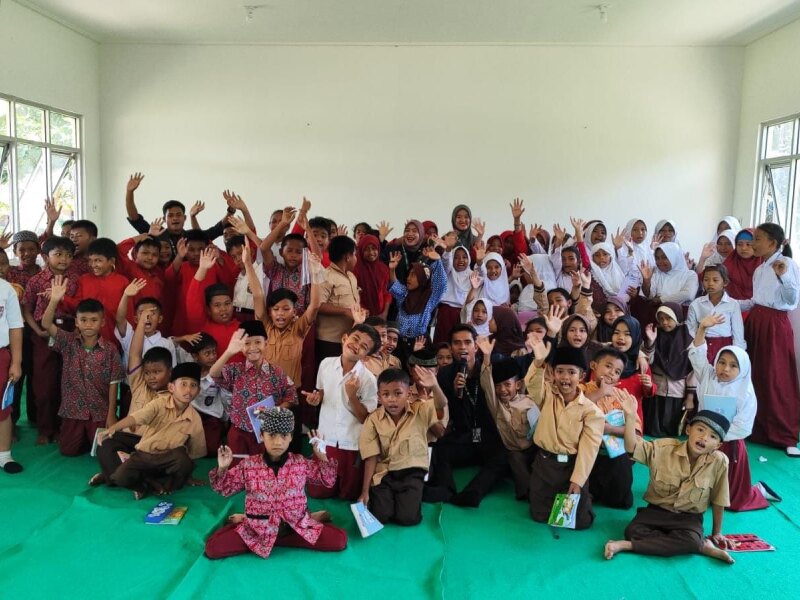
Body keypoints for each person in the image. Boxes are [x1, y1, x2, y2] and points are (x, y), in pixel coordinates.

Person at [204, 407, 347, 559]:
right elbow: (224, 489)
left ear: (291, 437)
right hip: (257, 531)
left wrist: (322, 456)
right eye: (271, 435)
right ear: (262, 435)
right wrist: (222, 468)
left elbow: (328, 480)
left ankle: (299, 524)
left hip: (296, 528)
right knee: (213, 548)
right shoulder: (249, 465)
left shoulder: (300, 463)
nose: (278, 442)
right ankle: (250, 523)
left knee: (339, 540)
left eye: (284, 435)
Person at [604, 410, 734, 565]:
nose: (704, 438)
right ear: (688, 429)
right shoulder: (663, 448)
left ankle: (627, 545)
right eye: (700, 430)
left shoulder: (719, 462)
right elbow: (632, 447)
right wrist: (631, 417)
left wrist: (717, 533)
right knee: (632, 531)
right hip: (657, 511)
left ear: (718, 445)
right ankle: (700, 546)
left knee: (690, 540)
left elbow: (720, 498)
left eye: (712, 436)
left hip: (689, 518)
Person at [689, 315, 776, 511]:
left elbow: (742, 426)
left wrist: (715, 437)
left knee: (732, 499)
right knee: (696, 491)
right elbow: (697, 355)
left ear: (742, 369)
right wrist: (702, 328)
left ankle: (758, 491)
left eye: (733, 365)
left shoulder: (745, 392)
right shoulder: (709, 375)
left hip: (728, 444)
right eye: (722, 362)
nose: (725, 369)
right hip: (703, 439)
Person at [423, 325, 510, 507]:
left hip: (488, 435)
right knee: (439, 450)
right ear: (451, 347)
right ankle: (446, 489)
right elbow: (448, 412)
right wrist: (456, 393)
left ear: (475, 346)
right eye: (457, 343)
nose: (462, 347)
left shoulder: (490, 367)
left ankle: (473, 493)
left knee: (503, 457)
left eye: (467, 342)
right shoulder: (446, 374)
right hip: (464, 436)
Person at [95, 362, 207, 499]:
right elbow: (136, 417)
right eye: (183, 384)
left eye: (193, 385)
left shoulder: (195, 419)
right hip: (143, 452)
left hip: (167, 461)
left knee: (182, 458)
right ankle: (145, 481)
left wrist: (187, 475)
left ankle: (119, 477)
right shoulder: (159, 402)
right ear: (171, 387)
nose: (188, 390)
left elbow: (194, 453)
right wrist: (113, 428)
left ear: (198, 391)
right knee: (106, 444)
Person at [524, 338, 604, 529]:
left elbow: (589, 449)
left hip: (571, 467)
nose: (565, 377)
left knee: (581, 522)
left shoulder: (592, 412)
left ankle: (585, 494)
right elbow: (532, 384)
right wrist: (538, 362)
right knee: (539, 516)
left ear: (582, 375)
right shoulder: (546, 395)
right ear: (553, 373)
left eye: (571, 372)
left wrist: (577, 481)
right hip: (544, 465)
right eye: (560, 371)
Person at [42, 277, 125, 456]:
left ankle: (91, 438)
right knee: (68, 451)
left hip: (99, 411)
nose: (88, 324)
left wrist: (111, 415)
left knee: (102, 451)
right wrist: (54, 300)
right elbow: (46, 324)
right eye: (84, 320)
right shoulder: (68, 342)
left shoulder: (110, 349)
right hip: (73, 411)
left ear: (102, 322)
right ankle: (79, 438)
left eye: (94, 320)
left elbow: (114, 384)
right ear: (76, 322)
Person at [91, 308, 174, 487]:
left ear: (170, 372)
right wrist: (141, 323)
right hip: (129, 440)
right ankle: (131, 479)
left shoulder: (174, 395)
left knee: (162, 459)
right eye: (148, 372)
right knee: (105, 444)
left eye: (158, 372)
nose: (152, 377)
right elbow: (135, 354)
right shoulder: (138, 384)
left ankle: (113, 476)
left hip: (151, 447)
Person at [740, 223, 800, 456]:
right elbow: (755, 300)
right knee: (755, 374)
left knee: (777, 377)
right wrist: (728, 302)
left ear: (773, 243)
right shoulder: (759, 269)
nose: (753, 244)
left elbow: (792, 300)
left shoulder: (787, 265)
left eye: (758, 239)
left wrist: (783, 276)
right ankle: (756, 428)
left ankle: (785, 435)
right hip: (756, 322)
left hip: (775, 325)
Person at [303, 324, 381, 501]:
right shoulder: (326, 364)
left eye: (364, 346)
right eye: (355, 339)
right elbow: (321, 393)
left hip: (351, 444)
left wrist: (352, 396)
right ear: (345, 338)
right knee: (317, 492)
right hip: (326, 439)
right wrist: (315, 399)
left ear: (366, 357)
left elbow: (365, 419)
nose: (356, 345)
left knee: (349, 494)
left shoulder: (368, 379)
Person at [358, 368, 445, 525]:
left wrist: (435, 386)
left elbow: (441, 405)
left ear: (408, 394)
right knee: (380, 516)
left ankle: (410, 496)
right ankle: (389, 498)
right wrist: (364, 492)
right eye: (386, 394)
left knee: (407, 518)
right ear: (379, 397)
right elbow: (371, 457)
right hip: (385, 474)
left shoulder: (421, 409)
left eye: (398, 393)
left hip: (412, 473)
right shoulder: (373, 420)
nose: (392, 399)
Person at [22, 236, 79, 445]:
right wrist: (37, 330)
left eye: (69, 255)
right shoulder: (36, 280)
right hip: (43, 335)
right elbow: (27, 309)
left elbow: (80, 308)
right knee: (44, 384)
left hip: (69, 332)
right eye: (59, 254)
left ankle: (63, 428)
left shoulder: (76, 280)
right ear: (46, 257)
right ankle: (45, 429)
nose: (64, 259)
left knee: (67, 382)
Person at [209, 320, 297, 457]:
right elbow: (214, 374)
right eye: (247, 343)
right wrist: (229, 352)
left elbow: (291, 396)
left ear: (266, 344)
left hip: (267, 432)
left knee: (263, 466)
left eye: (257, 342)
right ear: (240, 347)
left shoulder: (277, 372)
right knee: (237, 466)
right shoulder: (235, 370)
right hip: (239, 432)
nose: (253, 347)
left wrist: (274, 411)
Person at [476, 340, 537, 500]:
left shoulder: (530, 401)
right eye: (498, 386)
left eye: (507, 384)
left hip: (535, 448)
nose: (502, 390)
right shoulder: (497, 406)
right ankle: (528, 493)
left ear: (518, 385)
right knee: (514, 457)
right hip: (515, 451)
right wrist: (487, 357)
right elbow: (487, 384)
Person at [584, 348, 640, 509]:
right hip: (587, 452)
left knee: (622, 501)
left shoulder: (622, 396)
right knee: (586, 495)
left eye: (617, 371)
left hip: (616, 454)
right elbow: (575, 411)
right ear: (594, 365)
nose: (611, 373)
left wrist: (609, 429)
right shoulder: (581, 390)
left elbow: (635, 432)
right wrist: (601, 392)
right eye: (608, 366)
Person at [387, 245, 447, 360]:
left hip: (419, 343)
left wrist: (438, 261)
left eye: (414, 275)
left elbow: (441, 283)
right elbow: (394, 284)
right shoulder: (405, 293)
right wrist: (392, 269)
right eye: (409, 274)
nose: (408, 278)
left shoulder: (430, 298)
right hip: (400, 343)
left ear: (422, 279)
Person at [646, 304, 695, 437]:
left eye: (668, 318)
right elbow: (648, 361)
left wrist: (690, 397)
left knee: (672, 432)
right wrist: (651, 342)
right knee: (653, 431)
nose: (664, 322)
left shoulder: (687, 340)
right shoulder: (655, 335)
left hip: (677, 392)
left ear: (677, 317)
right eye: (661, 319)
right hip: (657, 391)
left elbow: (692, 371)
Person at [316, 235, 361, 364]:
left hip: (348, 338)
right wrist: (345, 311)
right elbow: (318, 305)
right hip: (329, 340)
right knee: (328, 373)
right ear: (347, 257)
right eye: (354, 255)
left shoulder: (351, 276)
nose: (356, 258)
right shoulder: (325, 276)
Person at [686, 265, 745, 361]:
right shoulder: (696, 304)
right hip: (701, 344)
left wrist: (737, 354)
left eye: (715, 280)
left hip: (725, 346)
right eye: (706, 280)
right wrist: (696, 347)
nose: (710, 283)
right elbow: (691, 330)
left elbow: (738, 333)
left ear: (725, 282)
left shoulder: (733, 304)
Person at [0, 274, 23, 474]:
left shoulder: (6, 289)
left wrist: (16, 362)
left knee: (3, 406)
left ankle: (4, 455)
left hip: (1, 355)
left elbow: (15, 327)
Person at [433, 244, 471, 346]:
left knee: (460, 344)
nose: (461, 260)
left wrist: (480, 262)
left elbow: (482, 273)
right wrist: (448, 249)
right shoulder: (448, 272)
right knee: (443, 343)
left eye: (464, 257)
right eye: (456, 257)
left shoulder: (472, 275)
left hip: (464, 314)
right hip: (446, 313)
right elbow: (446, 262)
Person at [354, 233, 391, 320]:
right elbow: (353, 294)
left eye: (374, 248)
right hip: (360, 315)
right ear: (361, 251)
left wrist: (385, 313)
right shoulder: (355, 269)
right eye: (366, 249)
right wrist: (361, 309)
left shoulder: (383, 269)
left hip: (380, 315)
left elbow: (386, 293)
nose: (371, 252)